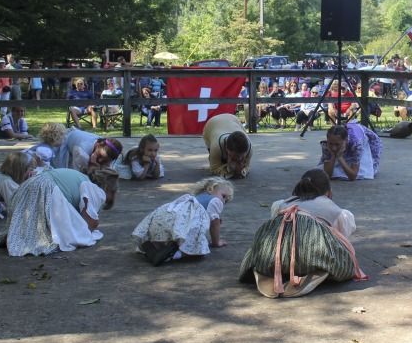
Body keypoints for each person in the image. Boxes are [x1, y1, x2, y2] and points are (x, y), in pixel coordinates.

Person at [239, 169, 367, 298]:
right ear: (329, 193)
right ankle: (316, 269)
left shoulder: (281, 204)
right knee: (343, 259)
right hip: (309, 254)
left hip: (273, 251)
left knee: (264, 249)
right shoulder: (338, 212)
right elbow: (341, 239)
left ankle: (263, 266)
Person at [0, 167, 119, 256]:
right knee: (83, 234)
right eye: (106, 200)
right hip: (44, 190)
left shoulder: (78, 177)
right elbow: (88, 223)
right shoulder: (94, 188)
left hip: (28, 187)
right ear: (107, 189)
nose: (102, 203)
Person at [132, 177, 233, 266]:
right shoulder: (215, 201)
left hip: (170, 213)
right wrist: (216, 242)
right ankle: (173, 254)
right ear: (210, 189)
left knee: (172, 233)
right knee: (199, 247)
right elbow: (215, 226)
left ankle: (154, 246)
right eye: (223, 196)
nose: (223, 201)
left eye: (226, 200)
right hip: (185, 219)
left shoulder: (193, 199)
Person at [203, 113, 252, 179]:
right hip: (212, 124)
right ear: (226, 149)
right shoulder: (216, 147)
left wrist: (240, 171)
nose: (239, 159)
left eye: (242, 157)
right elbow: (214, 169)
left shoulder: (249, 148)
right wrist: (229, 168)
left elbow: (247, 168)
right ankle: (219, 158)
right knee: (218, 160)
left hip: (233, 119)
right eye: (235, 157)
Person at [56, 129, 123, 172]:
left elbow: (108, 172)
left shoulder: (106, 147)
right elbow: (78, 175)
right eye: (100, 156)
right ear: (99, 144)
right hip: (63, 142)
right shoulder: (82, 151)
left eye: (105, 160)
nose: (100, 160)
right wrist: (94, 165)